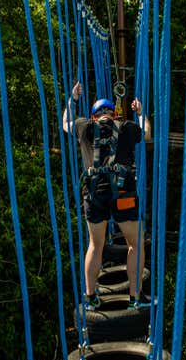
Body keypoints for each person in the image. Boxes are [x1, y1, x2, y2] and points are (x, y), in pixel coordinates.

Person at [63, 81, 152, 310]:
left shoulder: (84, 127)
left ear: (93, 117)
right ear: (114, 114)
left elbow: (65, 123)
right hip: (123, 193)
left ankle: (91, 297)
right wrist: (141, 113)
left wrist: (73, 100)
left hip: (94, 194)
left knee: (95, 245)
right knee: (136, 244)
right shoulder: (127, 127)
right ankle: (135, 297)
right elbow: (148, 134)